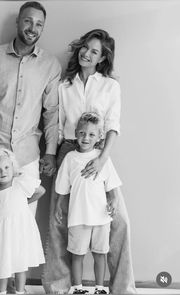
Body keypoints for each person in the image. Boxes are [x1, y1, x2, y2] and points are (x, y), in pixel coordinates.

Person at [0, 1, 61, 293]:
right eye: (28, 21)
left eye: (39, 24)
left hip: (27, 158)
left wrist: (49, 152)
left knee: (20, 227)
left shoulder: (50, 65)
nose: (33, 28)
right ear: (18, 22)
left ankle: (14, 288)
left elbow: (52, 114)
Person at [42, 29, 136, 294]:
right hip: (68, 152)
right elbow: (57, 126)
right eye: (85, 47)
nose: (87, 53)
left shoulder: (110, 86)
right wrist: (51, 154)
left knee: (118, 220)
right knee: (61, 221)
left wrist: (102, 159)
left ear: (102, 58)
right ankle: (61, 287)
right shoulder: (64, 85)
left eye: (94, 51)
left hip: (98, 153)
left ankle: (121, 287)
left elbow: (113, 126)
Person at [55, 112, 122, 295]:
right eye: (83, 133)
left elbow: (112, 185)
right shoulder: (70, 159)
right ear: (76, 133)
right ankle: (77, 288)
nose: (86, 137)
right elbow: (62, 187)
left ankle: (100, 288)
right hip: (78, 217)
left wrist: (114, 200)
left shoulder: (102, 158)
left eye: (92, 134)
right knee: (77, 254)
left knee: (100, 254)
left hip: (101, 217)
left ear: (99, 137)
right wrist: (59, 205)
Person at [0, 148, 45, 295]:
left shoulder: (19, 184)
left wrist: (24, 201)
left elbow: (41, 191)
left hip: (20, 231)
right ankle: (1, 291)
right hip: (3, 234)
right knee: (3, 266)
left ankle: (20, 292)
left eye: (7, 167)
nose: (3, 172)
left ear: (13, 167)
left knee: (20, 265)